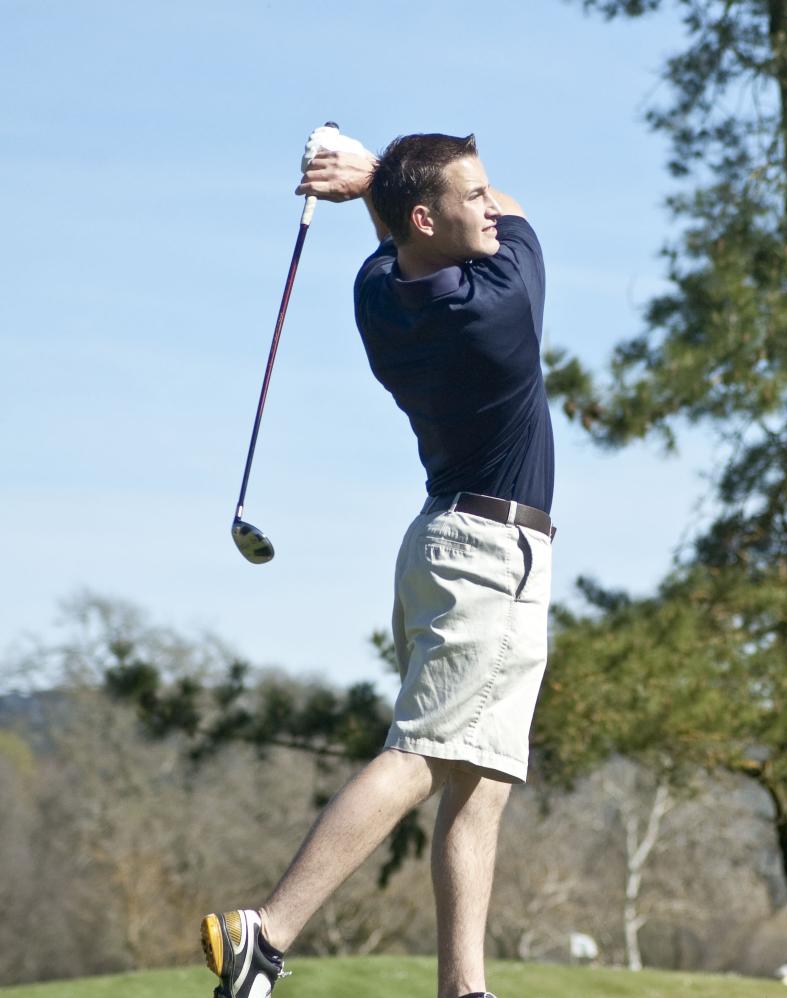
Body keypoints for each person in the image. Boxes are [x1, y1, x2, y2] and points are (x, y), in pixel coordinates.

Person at [198, 127, 555, 998]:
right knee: (427, 754)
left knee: (482, 776)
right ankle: (267, 931)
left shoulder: (376, 292)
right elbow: (511, 214)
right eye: (468, 195)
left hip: (440, 545)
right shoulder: (499, 302)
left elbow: (408, 238)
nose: (487, 204)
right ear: (430, 216)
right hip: (489, 555)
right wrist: (374, 181)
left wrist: (378, 190)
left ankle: (462, 989)